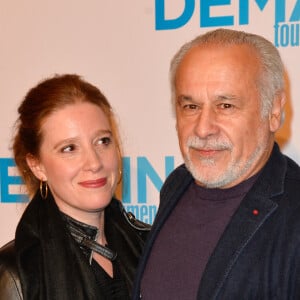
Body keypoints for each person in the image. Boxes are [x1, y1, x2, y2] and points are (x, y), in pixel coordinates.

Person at [132, 28, 300, 299]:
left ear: (274, 110)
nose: (203, 129)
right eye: (191, 107)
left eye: (225, 106)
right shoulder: (177, 183)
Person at [0, 74, 150, 300]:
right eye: (69, 148)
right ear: (37, 165)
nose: (94, 163)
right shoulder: (15, 274)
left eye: (102, 141)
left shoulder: (150, 246)